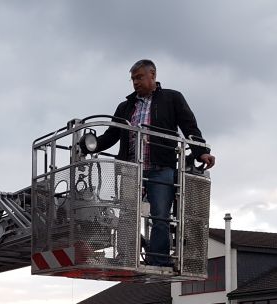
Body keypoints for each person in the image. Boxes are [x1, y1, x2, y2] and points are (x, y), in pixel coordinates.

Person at [88, 59, 215, 267]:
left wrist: (202, 152)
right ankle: (127, 257)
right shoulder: (125, 106)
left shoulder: (172, 98)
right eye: (133, 79)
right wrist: (90, 146)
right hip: (130, 169)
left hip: (160, 168)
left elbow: (189, 126)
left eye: (139, 77)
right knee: (128, 216)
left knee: (160, 217)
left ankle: (158, 260)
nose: (135, 83)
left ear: (152, 75)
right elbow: (112, 134)